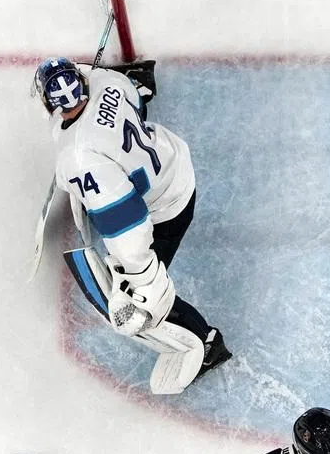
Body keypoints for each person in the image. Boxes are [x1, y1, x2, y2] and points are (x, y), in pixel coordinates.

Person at [33, 56, 230, 387]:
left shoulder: (78, 158)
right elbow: (136, 102)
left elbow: (126, 220)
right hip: (172, 163)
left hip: (165, 208)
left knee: (136, 301)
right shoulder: (108, 83)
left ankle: (206, 343)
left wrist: (138, 276)